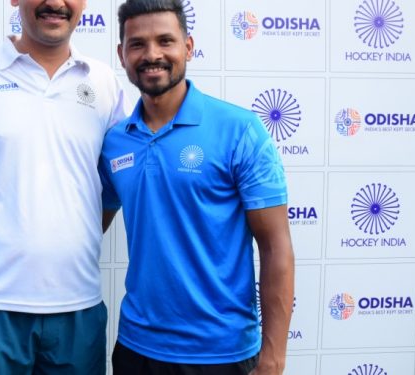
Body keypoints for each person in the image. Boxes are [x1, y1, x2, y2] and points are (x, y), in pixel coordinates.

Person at [99, 1, 295, 374]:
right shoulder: (115, 142)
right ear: (122, 55)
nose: (152, 55)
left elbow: (276, 246)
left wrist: (272, 359)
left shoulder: (239, 130)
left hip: (222, 354)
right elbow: (91, 225)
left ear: (188, 47)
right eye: (137, 44)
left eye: (165, 41)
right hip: (136, 348)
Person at [0, 0, 128, 373]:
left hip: (78, 303)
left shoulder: (104, 81)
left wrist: (77, 225)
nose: (56, 4)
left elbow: (112, 183)